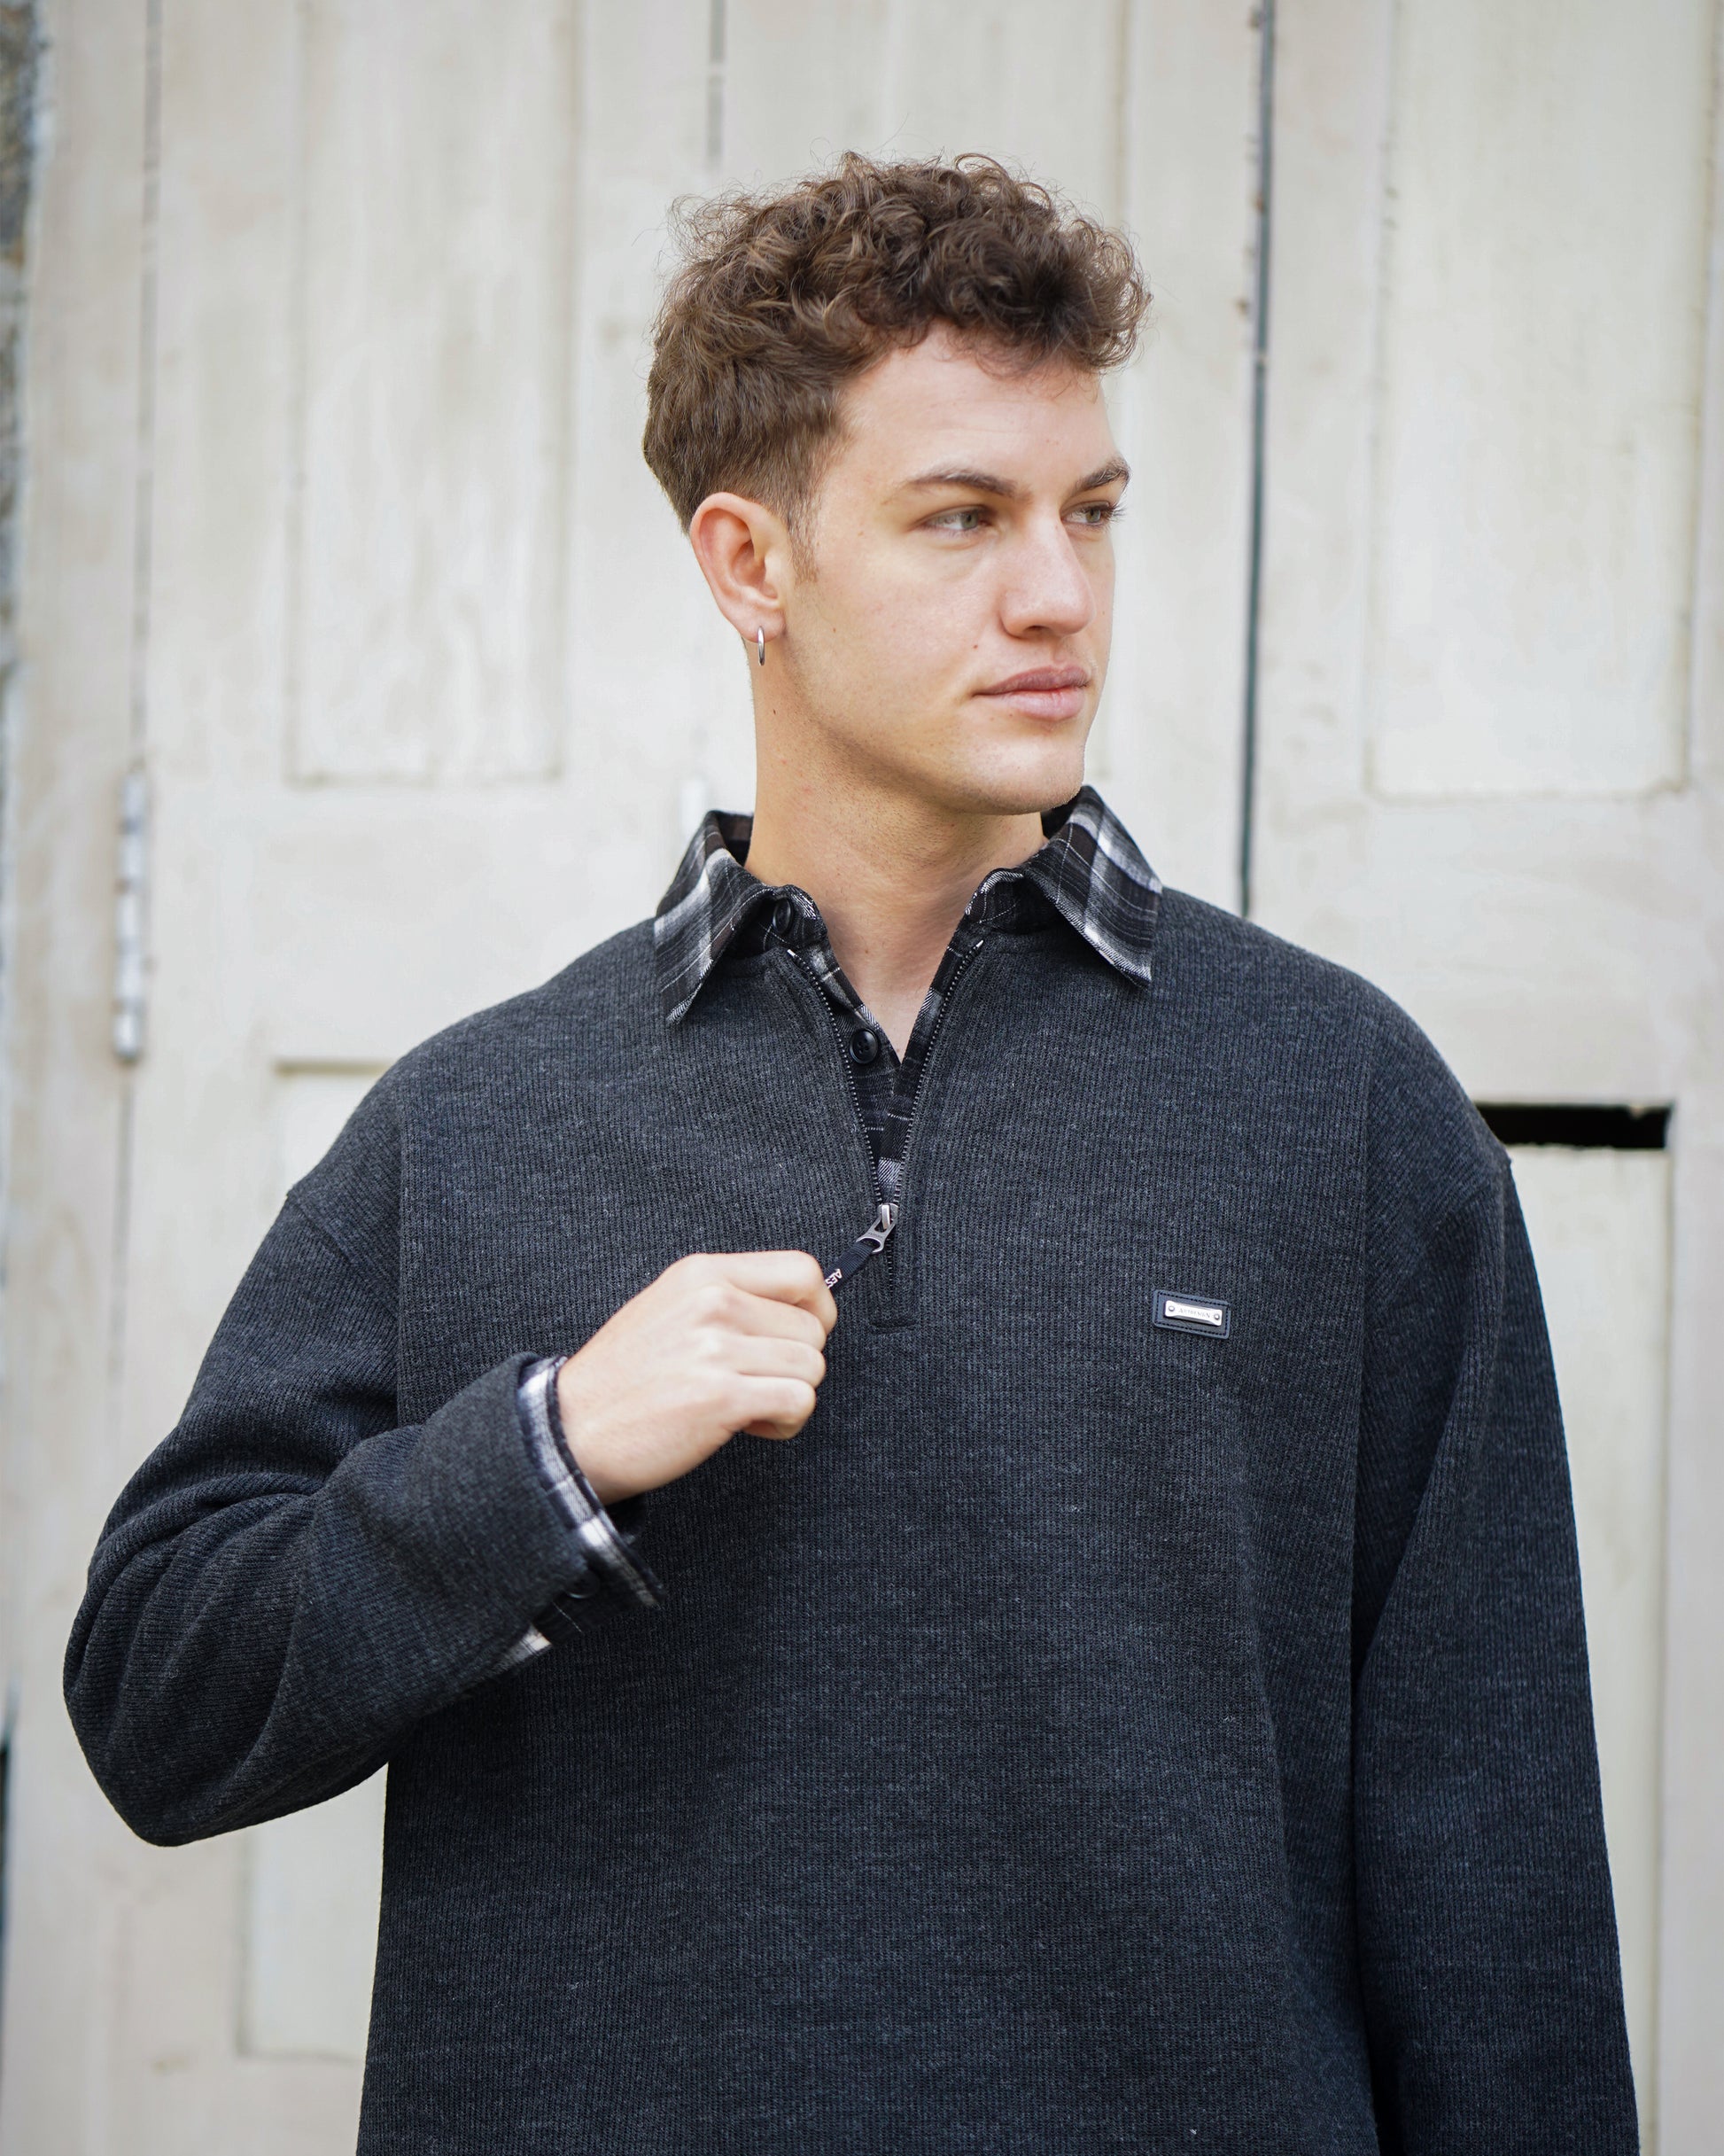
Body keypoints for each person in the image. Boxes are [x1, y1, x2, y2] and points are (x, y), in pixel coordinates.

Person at [66, 154, 1636, 2153]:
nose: (1057, 593)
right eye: (961, 516)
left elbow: (1493, 1864)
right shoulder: (474, 1122)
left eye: (1088, 512)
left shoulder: (1338, 1101)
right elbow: (158, 1702)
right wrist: (541, 1451)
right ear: (750, 562)